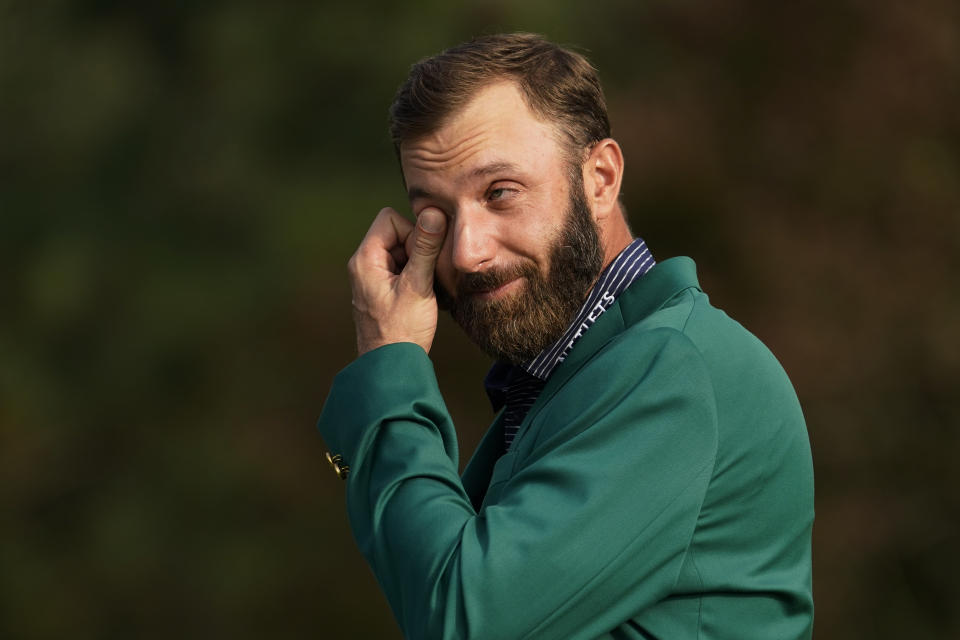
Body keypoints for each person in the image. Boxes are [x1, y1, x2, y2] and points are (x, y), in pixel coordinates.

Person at [318, 33, 814, 640]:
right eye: (435, 216)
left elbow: (462, 619)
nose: (466, 252)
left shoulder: (672, 370)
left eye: (500, 193)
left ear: (600, 179)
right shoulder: (572, 377)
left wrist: (389, 365)